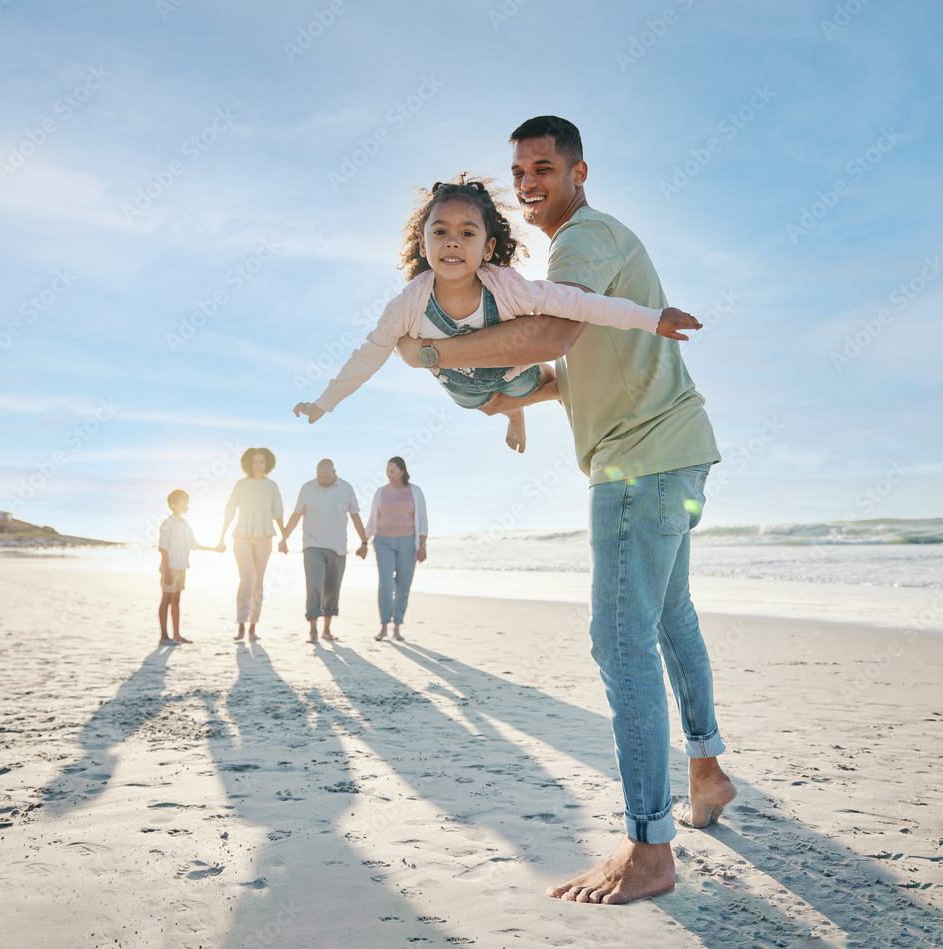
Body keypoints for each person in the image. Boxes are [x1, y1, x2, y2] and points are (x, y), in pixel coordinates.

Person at [397, 116, 736, 905]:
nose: (528, 184)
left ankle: (649, 847)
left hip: (639, 467)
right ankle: (706, 767)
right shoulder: (589, 246)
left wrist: (437, 352)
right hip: (679, 451)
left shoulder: (583, 241)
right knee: (669, 616)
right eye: (519, 172)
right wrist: (511, 398)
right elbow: (562, 365)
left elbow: (544, 331)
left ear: (579, 173)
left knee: (620, 643)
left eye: (543, 168)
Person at [292, 177, 701, 452]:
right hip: (461, 386)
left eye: (467, 233)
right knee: (480, 404)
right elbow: (368, 354)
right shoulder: (408, 304)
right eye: (440, 232)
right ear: (422, 244)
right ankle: (511, 411)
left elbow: (580, 303)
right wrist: (324, 402)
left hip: (511, 371)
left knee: (546, 385)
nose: (452, 242)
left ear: (487, 248)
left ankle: (541, 400)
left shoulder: (507, 288)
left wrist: (652, 318)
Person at [281, 459, 368, 644]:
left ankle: (326, 630)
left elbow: (355, 516)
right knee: (314, 586)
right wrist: (284, 538)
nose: (323, 480)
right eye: (320, 477)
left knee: (332, 589)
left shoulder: (346, 488)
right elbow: (296, 515)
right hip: (312, 545)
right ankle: (312, 630)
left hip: (338, 547)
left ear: (335, 472)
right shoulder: (307, 488)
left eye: (327, 477)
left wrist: (364, 541)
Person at [217, 447, 287, 642]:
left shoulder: (271, 485)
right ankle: (240, 625)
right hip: (242, 537)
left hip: (265, 538)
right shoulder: (241, 484)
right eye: (255, 462)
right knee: (245, 580)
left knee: (258, 583)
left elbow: (278, 512)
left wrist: (284, 539)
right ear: (249, 464)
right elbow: (229, 511)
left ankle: (253, 627)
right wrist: (221, 538)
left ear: (268, 464)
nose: (258, 466)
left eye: (262, 462)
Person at [365, 457, 427, 641]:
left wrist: (422, 545)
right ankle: (384, 625)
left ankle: (397, 626)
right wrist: (364, 541)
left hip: (408, 542)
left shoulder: (414, 491)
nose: (389, 474)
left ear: (402, 471)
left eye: (392, 470)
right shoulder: (380, 492)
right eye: (387, 471)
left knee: (403, 586)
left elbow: (422, 519)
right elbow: (372, 517)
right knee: (386, 583)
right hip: (383, 540)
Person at [157, 489, 223, 644]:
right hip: (170, 568)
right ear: (173, 505)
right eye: (183, 501)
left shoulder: (185, 524)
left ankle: (177, 635)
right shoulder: (167, 524)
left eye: (187, 501)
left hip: (182, 567)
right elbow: (163, 548)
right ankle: (164, 636)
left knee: (176, 600)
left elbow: (193, 545)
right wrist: (166, 571)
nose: (187, 504)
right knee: (166, 599)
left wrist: (214, 549)